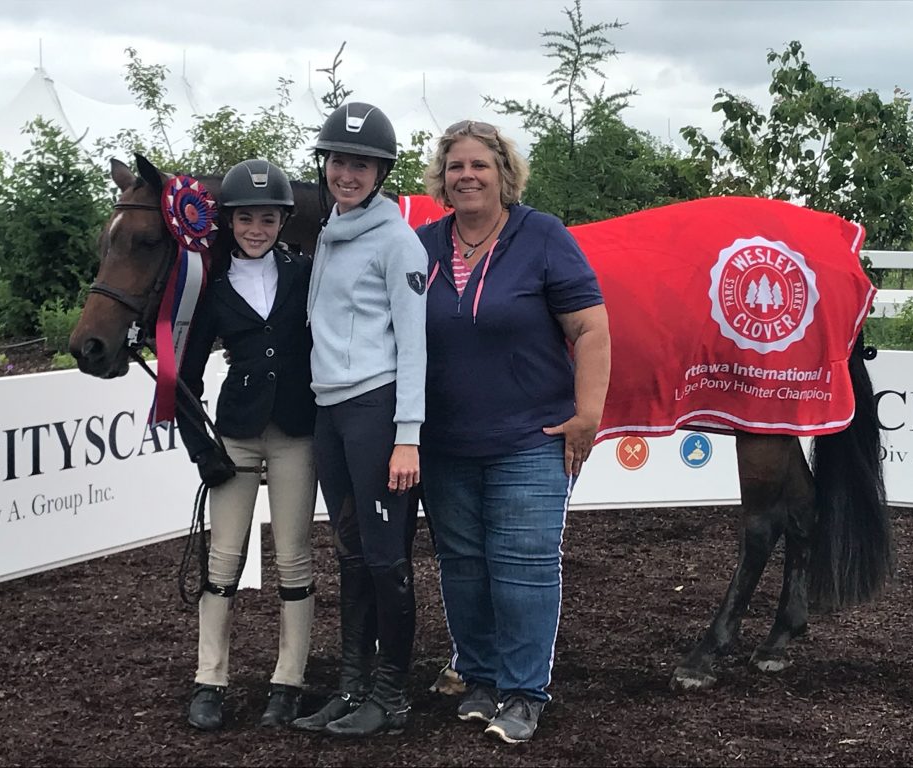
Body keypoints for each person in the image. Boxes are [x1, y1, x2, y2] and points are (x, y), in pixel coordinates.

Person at [415, 120, 611, 744]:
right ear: (441, 179)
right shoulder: (419, 245)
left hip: (530, 439)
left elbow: (591, 329)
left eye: (480, 165)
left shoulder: (542, 236)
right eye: (455, 167)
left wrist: (587, 415)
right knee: (463, 566)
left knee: (524, 567)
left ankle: (524, 693)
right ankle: (478, 675)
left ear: (504, 173)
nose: (466, 176)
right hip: (444, 443)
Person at [288, 102, 428, 737]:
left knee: (383, 554)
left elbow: (415, 343)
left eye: (361, 164)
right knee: (349, 552)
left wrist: (407, 438)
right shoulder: (330, 232)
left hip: (375, 409)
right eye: (339, 161)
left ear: (380, 171)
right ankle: (351, 687)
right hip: (330, 410)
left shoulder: (398, 241)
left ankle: (392, 694)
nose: (347, 173)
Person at [177, 159, 318, 731]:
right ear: (229, 222)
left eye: (267, 218)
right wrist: (200, 447)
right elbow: (183, 376)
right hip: (235, 434)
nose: (256, 228)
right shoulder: (210, 286)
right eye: (245, 219)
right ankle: (210, 677)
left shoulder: (306, 273)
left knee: (294, 556)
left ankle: (289, 678)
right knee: (223, 558)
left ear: (282, 221)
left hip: (294, 433)